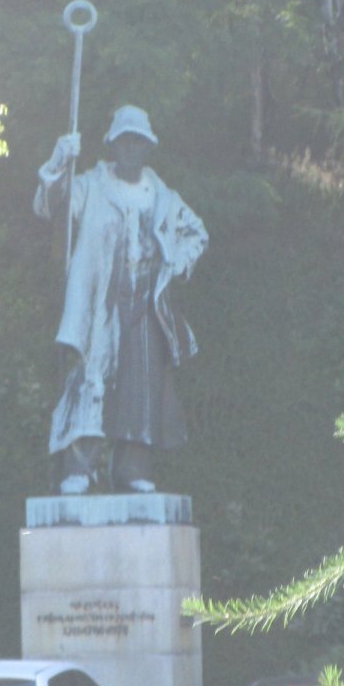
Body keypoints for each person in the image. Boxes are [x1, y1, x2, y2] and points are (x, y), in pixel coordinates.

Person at [34, 104, 207, 494]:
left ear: (148, 147)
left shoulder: (162, 196)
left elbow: (196, 233)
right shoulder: (92, 184)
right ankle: (79, 468)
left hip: (146, 303)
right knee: (90, 379)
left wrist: (176, 263)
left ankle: (132, 469)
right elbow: (52, 207)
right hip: (100, 301)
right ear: (113, 144)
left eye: (138, 141)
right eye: (124, 140)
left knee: (141, 387)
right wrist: (60, 163)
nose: (131, 148)